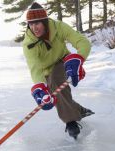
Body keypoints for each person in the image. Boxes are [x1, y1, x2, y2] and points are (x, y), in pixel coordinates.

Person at [22, 2, 94, 139]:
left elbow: (81, 41)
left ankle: (71, 121)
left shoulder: (58, 27)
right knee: (53, 96)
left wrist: (79, 58)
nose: (34, 27)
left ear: (44, 21)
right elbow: (35, 68)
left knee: (56, 80)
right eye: (31, 24)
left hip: (63, 61)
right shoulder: (28, 44)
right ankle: (79, 110)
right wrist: (40, 87)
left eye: (37, 23)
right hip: (45, 70)